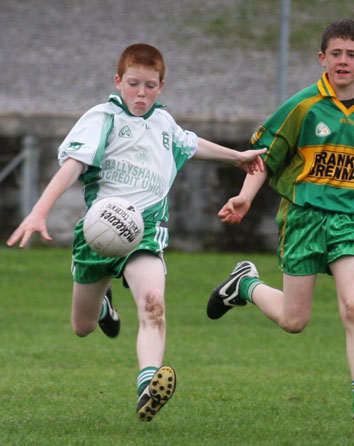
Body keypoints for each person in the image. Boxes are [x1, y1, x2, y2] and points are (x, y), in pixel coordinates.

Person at [6, 43, 266, 423]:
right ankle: (104, 302)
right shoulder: (102, 118)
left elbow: (192, 144)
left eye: (149, 85)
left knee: (153, 304)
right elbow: (72, 167)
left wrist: (239, 156)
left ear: (161, 86)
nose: (141, 93)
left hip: (144, 232)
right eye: (133, 84)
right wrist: (38, 212)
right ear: (118, 81)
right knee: (83, 327)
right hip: (98, 233)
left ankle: (148, 386)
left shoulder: (164, 124)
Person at [206, 19, 354, 420]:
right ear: (322, 59)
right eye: (335, 53)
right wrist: (245, 198)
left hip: (350, 220)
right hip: (304, 219)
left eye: (352, 55)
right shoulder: (303, 107)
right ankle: (245, 284)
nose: (343, 61)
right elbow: (264, 157)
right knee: (294, 321)